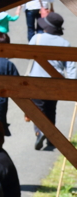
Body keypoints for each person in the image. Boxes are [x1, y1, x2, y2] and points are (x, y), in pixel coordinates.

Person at [28, 12, 77, 150]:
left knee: (38, 109)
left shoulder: (37, 38)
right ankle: (51, 139)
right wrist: (72, 86)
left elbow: (27, 56)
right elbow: (72, 66)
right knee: (51, 109)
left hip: (36, 81)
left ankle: (40, 131)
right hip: (56, 82)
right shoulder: (65, 44)